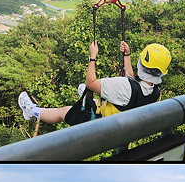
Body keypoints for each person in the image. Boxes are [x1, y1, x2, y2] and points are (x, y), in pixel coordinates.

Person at [18, 40, 171, 124]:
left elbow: (91, 82)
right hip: (119, 119)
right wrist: (127, 55)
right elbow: (133, 83)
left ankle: (31, 111)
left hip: (101, 123)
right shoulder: (154, 90)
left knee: (63, 111)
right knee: (95, 95)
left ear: (141, 64)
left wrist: (93, 56)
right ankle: (90, 97)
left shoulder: (124, 87)